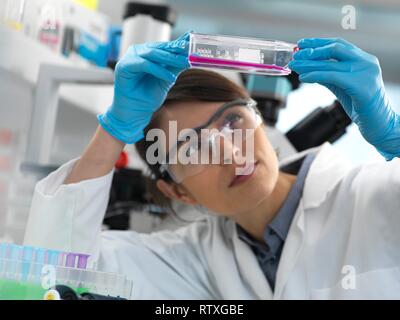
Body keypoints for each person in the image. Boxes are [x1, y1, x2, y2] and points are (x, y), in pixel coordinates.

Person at [24, 33, 400, 299]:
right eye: (190, 149)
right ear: (177, 191)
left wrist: (394, 138)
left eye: (233, 122)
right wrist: (113, 130)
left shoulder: (374, 197)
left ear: (262, 124)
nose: (232, 155)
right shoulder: (192, 261)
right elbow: (52, 278)